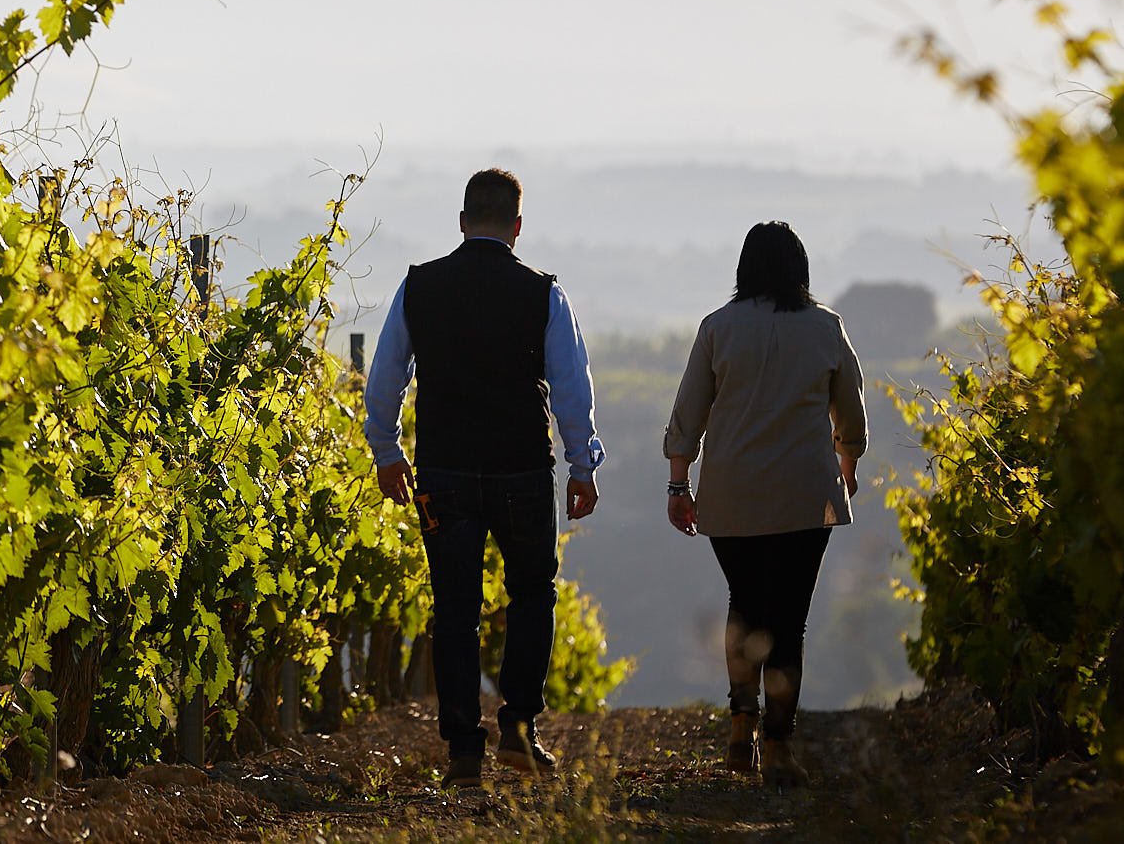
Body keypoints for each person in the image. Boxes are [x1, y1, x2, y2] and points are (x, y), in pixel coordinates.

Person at [364, 167, 604, 788]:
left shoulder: (419, 287)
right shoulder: (544, 294)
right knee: (532, 595)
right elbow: (571, 393)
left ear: (463, 220)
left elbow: (385, 377)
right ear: (518, 228)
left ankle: (464, 751)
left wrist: (388, 453)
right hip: (521, 471)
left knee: (454, 610)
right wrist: (583, 466)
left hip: (441, 470)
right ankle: (519, 735)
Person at [663, 220, 867, 787]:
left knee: (744, 601)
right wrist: (848, 463)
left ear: (743, 270)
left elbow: (688, 415)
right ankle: (778, 745)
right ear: (800, 270)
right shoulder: (827, 327)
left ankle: (739, 722)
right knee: (789, 618)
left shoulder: (716, 329)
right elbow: (849, 412)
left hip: (732, 494)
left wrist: (680, 486)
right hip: (805, 495)